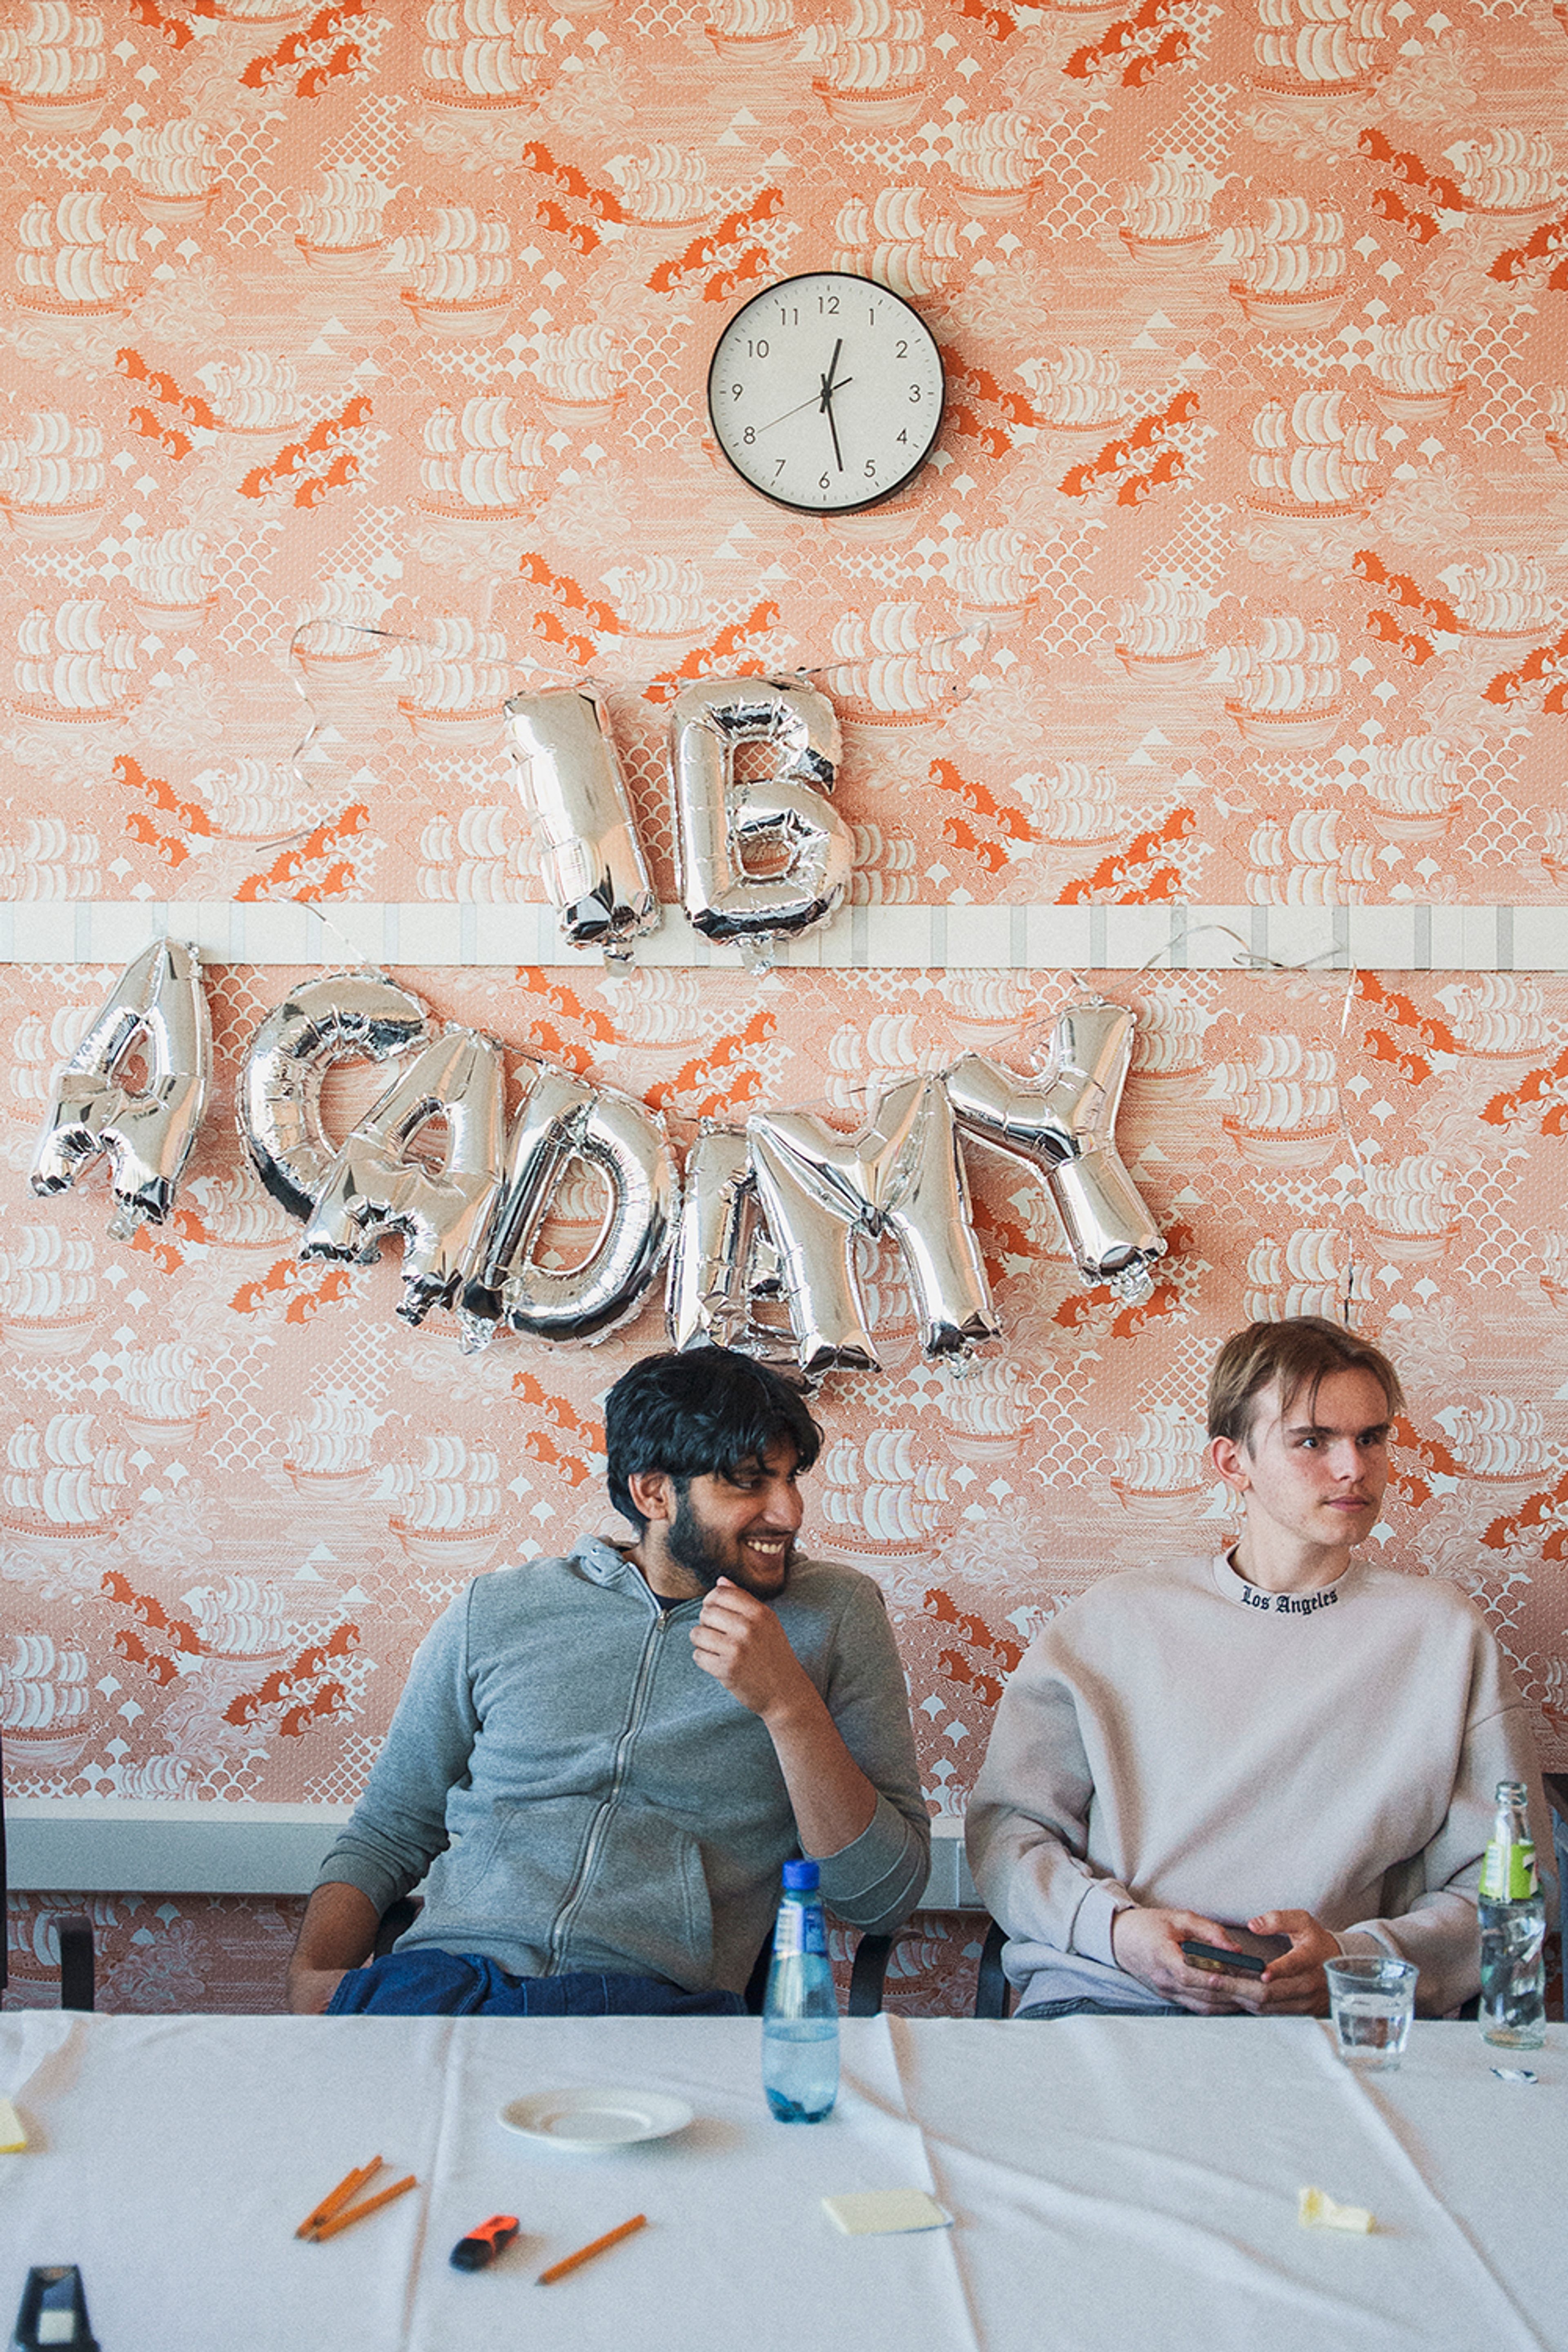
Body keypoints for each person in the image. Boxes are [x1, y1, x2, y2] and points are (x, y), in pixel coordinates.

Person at [287, 1345, 930, 2016]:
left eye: (791, 1478)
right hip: (443, 1984)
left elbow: (881, 1899)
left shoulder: (836, 1615)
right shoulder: (497, 1610)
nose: (789, 1512)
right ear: (653, 1493)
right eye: (749, 1482)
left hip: (648, 2008)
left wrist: (789, 1706)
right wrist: (311, 1977)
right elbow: (389, 1831)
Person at [966, 1316, 1554, 2020]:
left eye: (1372, 1438)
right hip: (1110, 1995)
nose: (1353, 1468)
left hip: (1336, 2019)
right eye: (1313, 1441)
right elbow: (1008, 1836)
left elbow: (1511, 1889)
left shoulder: (1445, 1636)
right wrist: (1115, 1932)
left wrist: (1355, 1961)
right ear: (1232, 1462)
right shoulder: (1112, 1622)